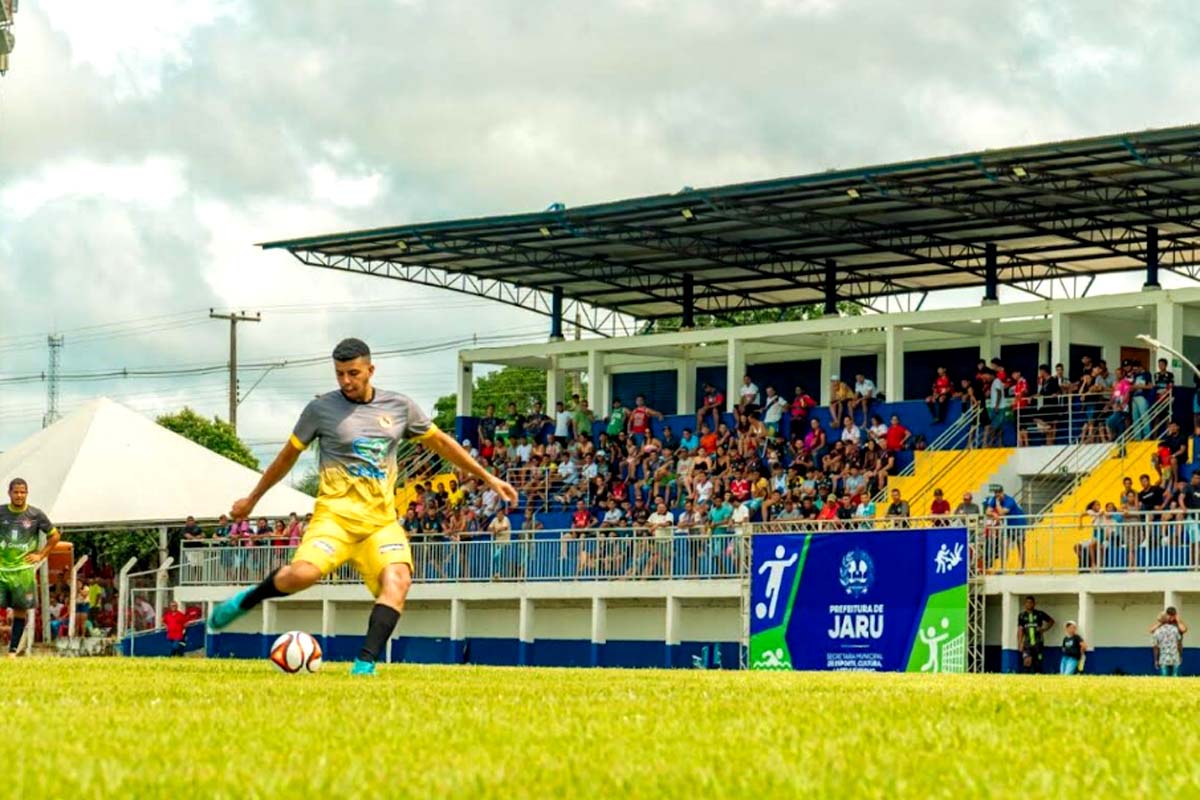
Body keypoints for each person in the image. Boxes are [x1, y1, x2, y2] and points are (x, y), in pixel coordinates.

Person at [208, 338, 517, 676]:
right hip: (334, 520)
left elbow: (442, 443)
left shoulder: (399, 407)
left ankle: (364, 664)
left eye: (353, 373)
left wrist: (489, 478)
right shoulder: (319, 410)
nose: (345, 381)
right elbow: (286, 457)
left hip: (380, 524)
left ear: (370, 369)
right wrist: (252, 499)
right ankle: (246, 601)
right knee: (302, 575)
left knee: (398, 581)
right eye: (339, 373)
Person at [0, 478, 60, 658]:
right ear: (9, 493)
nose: (19, 495)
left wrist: (41, 555)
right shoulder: (1, 512)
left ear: (27, 493)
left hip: (23, 571)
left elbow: (55, 536)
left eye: (22, 492)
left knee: (20, 610)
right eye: (16, 492)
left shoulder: (36, 515)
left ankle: (12, 652)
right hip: (2, 570)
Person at [1016, 595, 1054, 673]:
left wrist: (1043, 629)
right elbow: (1020, 629)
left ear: (1034, 604)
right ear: (1025, 604)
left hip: (1038, 642)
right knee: (1027, 661)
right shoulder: (1022, 615)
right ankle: (1026, 678)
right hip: (1027, 643)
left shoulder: (1039, 614)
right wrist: (1020, 643)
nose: (1029, 604)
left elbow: (1051, 621)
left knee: (1038, 663)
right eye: (1027, 602)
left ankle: (1038, 677)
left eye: (1031, 603)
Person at [1151, 610, 1184, 677]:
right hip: (1175, 658)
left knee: (1165, 681)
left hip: (1163, 659)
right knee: (1175, 680)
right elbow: (1179, 644)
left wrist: (1156, 660)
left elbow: (1156, 648)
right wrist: (1180, 656)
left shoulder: (1157, 632)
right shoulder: (1175, 629)